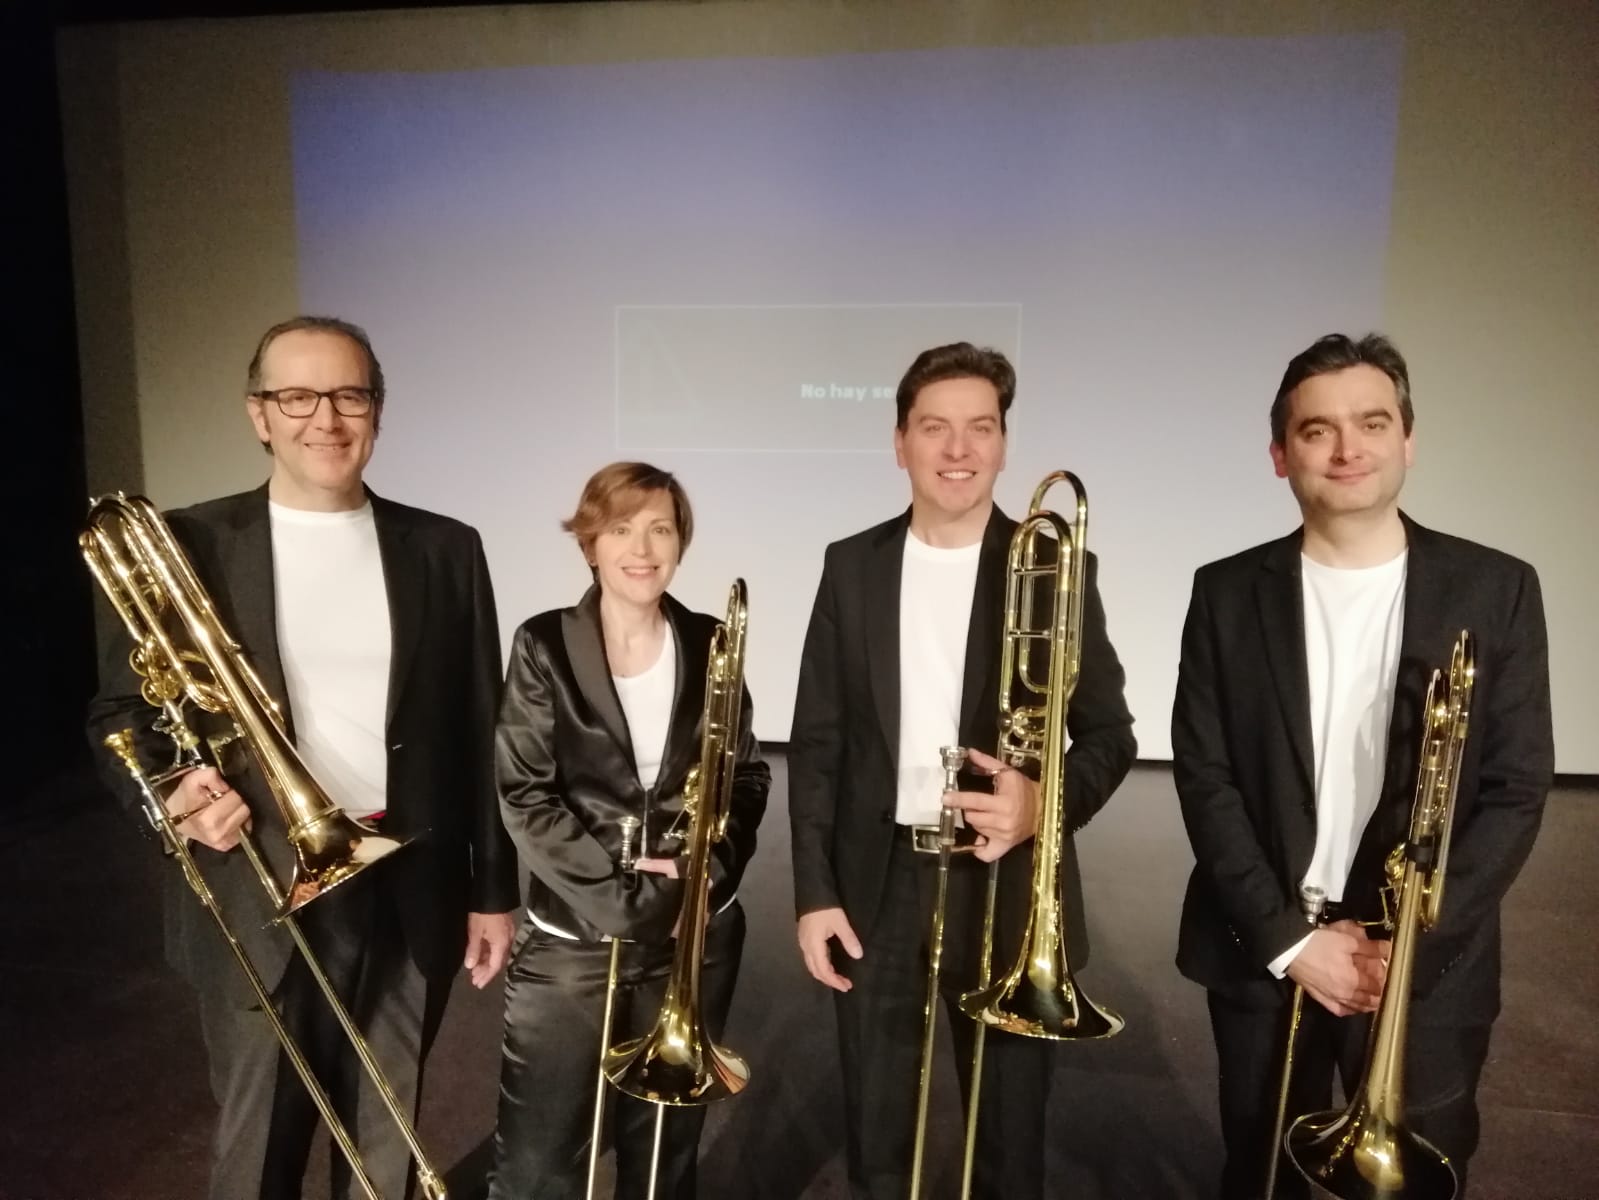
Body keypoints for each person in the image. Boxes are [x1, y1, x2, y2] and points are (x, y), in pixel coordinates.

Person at [85, 315, 519, 1200]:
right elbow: (122, 712)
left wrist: (492, 892)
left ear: (377, 412)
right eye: (297, 396)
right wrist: (175, 792)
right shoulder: (188, 546)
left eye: (349, 394)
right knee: (262, 1140)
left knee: (388, 1133)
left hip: (410, 876)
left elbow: (482, 731)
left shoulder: (445, 548)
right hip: (257, 876)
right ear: (259, 414)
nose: (326, 418)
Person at [1172, 332, 1554, 1198]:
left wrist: (1408, 943)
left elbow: (1515, 787)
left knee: (1416, 1174)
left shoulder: (1497, 588)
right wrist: (1291, 942)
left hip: (1424, 960)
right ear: (1279, 454)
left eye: (1371, 422)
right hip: (1267, 943)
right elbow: (1206, 777)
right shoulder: (1225, 592)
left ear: (1407, 440)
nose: (1347, 449)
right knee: (1261, 1170)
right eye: (1316, 430)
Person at [788, 342, 1137, 1199]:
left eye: (979, 427)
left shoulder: (1056, 567)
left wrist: (1040, 807)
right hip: (877, 884)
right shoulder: (851, 564)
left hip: (1006, 883)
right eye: (934, 428)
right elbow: (819, 741)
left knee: (1008, 1144)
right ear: (899, 442)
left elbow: (1111, 733)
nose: (958, 449)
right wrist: (812, 892)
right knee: (877, 1141)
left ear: (1004, 444)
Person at [490, 461, 770, 1199]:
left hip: (696, 936)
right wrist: (633, 905)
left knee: (662, 1156)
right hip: (574, 942)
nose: (641, 548)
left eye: (659, 529)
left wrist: (709, 877)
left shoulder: (712, 641)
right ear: (590, 543)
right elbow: (525, 794)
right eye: (620, 529)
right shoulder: (544, 645)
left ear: (680, 543)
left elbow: (745, 775)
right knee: (539, 1159)